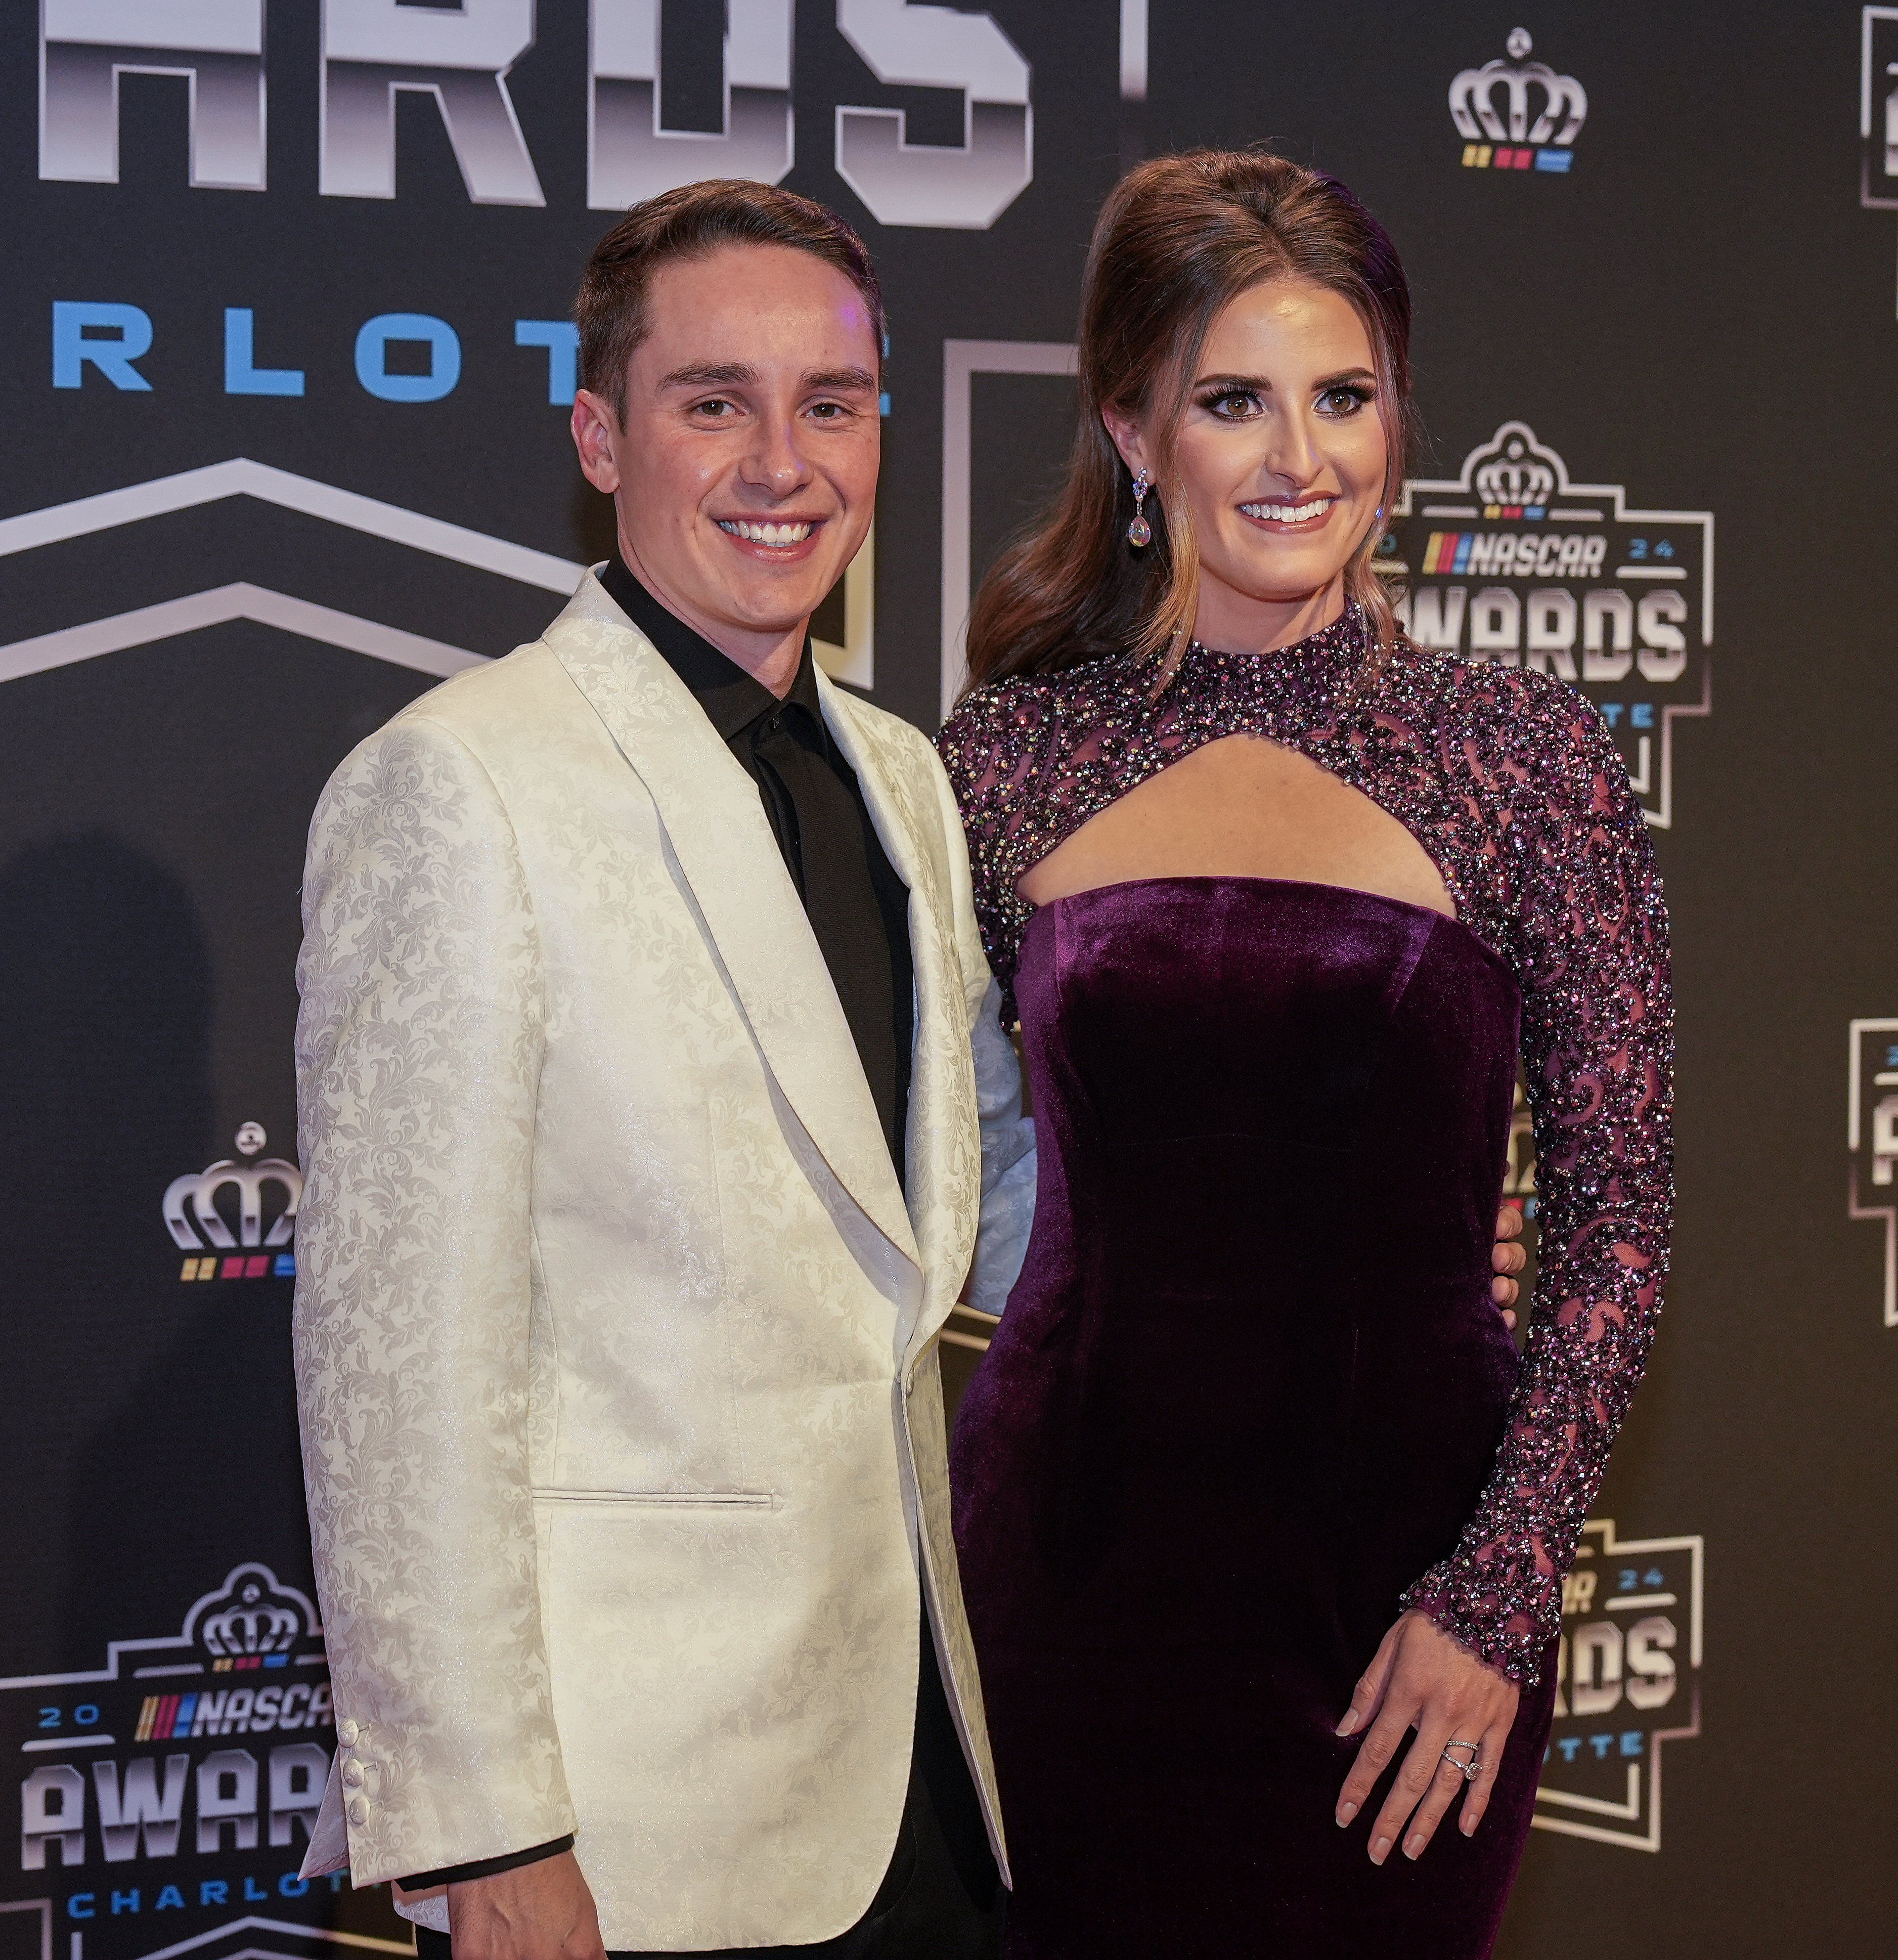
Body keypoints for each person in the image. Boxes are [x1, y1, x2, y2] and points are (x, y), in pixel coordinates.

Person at [290, 176, 1531, 1960]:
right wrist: (491, 1836)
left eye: (833, 406)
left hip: (929, 1768)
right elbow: (394, 1381)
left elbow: (999, 1206)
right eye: (714, 402)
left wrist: (1321, 1261)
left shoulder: (906, 784)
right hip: (631, 1825)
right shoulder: (465, 786)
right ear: (597, 432)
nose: (780, 462)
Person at [936, 148, 1674, 1956]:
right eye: (1232, 402)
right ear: (1132, 431)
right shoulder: (1007, 760)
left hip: (1400, 1600)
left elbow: (1625, 1211)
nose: (1298, 458)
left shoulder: (1523, 759)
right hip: (1063, 1576)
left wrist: (1498, 1598)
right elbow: (934, 1169)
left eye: (1343, 398)